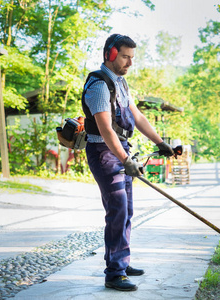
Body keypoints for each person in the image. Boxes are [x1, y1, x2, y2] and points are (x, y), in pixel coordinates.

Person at [82, 34, 174, 291]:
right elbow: (105, 130)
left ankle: (121, 260)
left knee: (127, 209)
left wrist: (159, 142)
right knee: (118, 208)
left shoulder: (120, 83)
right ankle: (114, 273)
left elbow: (137, 116)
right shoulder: (99, 85)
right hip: (104, 152)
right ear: (110, 54)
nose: (129, 63)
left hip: (121, 150)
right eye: (125, 56)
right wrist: (125, 160)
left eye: (132, 58)